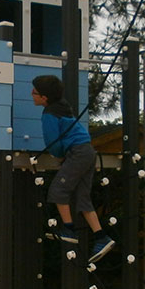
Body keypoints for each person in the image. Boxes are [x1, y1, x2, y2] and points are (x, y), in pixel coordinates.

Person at [30, 74, 115, 263]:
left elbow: (53, 141)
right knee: (82, 197)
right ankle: (101, 236)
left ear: (44, 97)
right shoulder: (63, 107)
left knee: (59, 190)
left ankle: (68, 229)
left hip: (77, 153)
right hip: (87, 151)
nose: (31, 94)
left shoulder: (49, 114)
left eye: (35, 92)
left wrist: (59, 156)